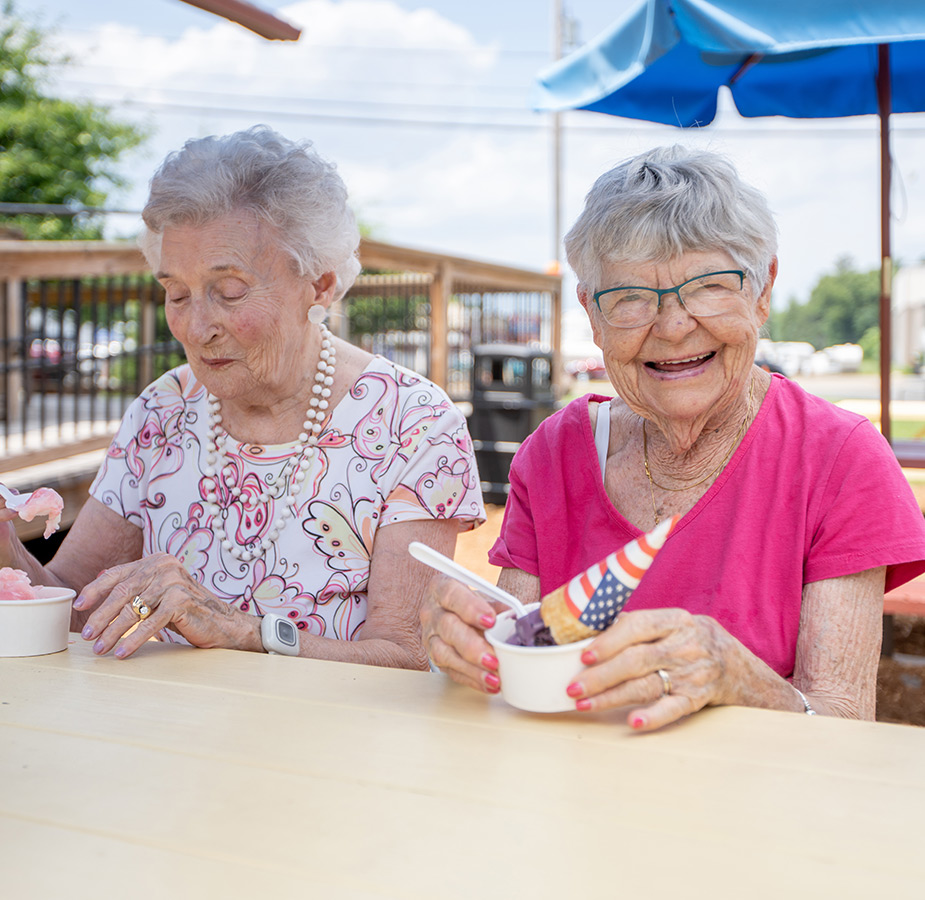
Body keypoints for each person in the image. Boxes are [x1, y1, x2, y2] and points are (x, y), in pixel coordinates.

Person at [422, 145, 925, 730]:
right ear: (592, 314)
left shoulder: (838, 459)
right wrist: (468, 648)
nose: (674, 326)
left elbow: (841, 727)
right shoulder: (555, 454)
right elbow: (521, 670)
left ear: (763, 291)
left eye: (710, 285)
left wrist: (737, 678)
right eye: (630, 298)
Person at [0, 126, 484, 667]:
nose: (195, 326)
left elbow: (410, 657)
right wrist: (4, 541)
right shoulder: (163, 411)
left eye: (229, 292)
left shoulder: (412, 423)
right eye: (176, 293)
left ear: (319, 286)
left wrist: (247, 632)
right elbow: (75, 607)